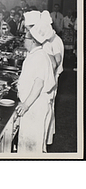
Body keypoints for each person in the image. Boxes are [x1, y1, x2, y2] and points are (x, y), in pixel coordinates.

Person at [16, 17, 56, 154]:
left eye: (25, 38)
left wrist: (25, 104)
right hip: (33, 105)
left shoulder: (39, 57)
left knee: (31, 146)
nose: (23, 40)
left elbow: (39, 84)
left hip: (35, 106)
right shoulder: (35, 54)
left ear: (33, 41)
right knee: (28, 144)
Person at [40, 11, 64, 146]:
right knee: (49, 108)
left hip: (52, 78)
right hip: (52, 78)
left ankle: (46, 138)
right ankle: (48, 137)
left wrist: (47, 76)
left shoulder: (54, 40)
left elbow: (57, 60)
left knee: (47, 108)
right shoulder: (52, 38)